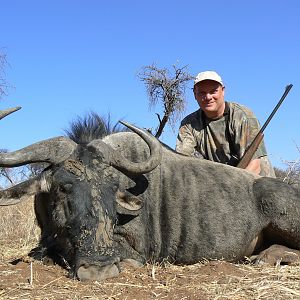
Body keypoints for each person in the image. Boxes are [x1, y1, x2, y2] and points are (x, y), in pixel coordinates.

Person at [176, 70, 275, 177]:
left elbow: (254, 166)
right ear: (195, 95)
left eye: (213, 91)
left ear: (223, 91)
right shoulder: (188, 124)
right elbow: (182, 163)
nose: (208, 97)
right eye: (202, 93)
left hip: (259, 184)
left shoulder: (242, 116)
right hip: (222, 182)